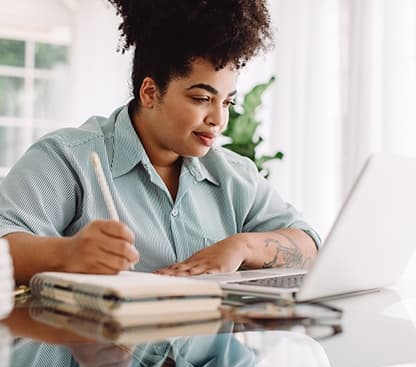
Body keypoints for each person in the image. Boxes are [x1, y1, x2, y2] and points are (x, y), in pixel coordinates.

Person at [0, 0, 320, 285]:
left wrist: (241, 246)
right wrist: (67, 253)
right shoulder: (67, 158)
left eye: (227, 103)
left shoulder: (235, 177)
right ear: (150, 92)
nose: (218, 119)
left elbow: (310, 246)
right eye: (201, 98)